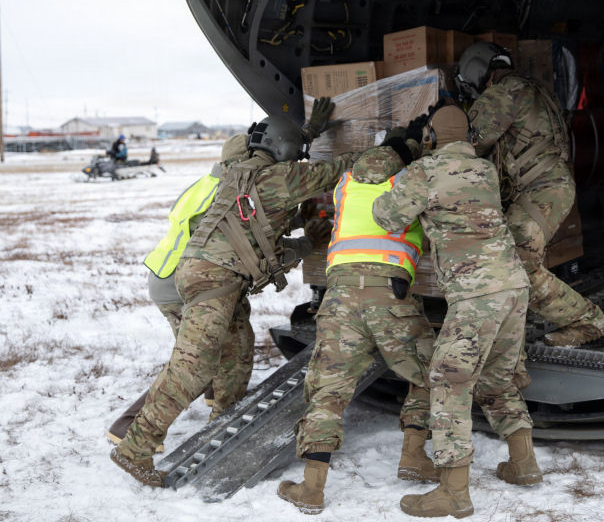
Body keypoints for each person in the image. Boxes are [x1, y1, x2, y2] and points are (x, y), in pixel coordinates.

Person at [110, 98, 355, 487]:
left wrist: (307, 133)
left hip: (212, 278)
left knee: (239, 352)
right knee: (193, 368)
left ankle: (221, 426)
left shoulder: (239, 173)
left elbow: (264, 246)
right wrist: (394, 147)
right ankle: (135, 448)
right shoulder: (276, 179)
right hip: (211, 281)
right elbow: (333, 170)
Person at [373, 106, 541, 519]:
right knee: (497, 381)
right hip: (513, 287)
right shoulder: (483, 170)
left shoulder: (427, 170)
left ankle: (453, 491)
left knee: (449, 380)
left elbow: (386, 215)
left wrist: (402, 168)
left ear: (431, 135)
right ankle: (523, 464)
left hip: (476, 293)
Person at [278, 128, 438, 515]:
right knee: (426, 372)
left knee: (328, 386)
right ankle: (414, 456)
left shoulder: (345, 183)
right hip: (391, 291)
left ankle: (312, 487)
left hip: (341, 292)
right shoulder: (411, 181)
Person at [458, 42, 604, 348]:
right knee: (510, 262)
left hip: (540, 189)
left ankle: (587, 320)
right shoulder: (538, 90)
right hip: (548, 186)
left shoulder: (502, 94)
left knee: (516, 264)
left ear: (476, 72)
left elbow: (468, 144)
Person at [106, 155, 229, 448]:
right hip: (181, 282)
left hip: (164, 273)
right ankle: (128, 425)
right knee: (191, 363)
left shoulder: (204, 183)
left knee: (202, 351)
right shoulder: (230, 191)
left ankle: (212, 390)